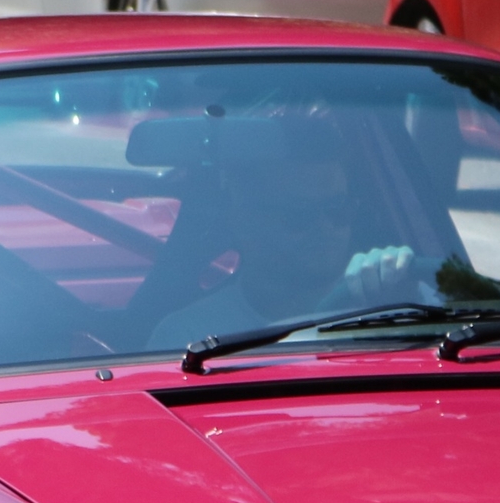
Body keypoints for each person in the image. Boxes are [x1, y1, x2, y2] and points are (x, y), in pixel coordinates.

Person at [147, 143, 427, 350]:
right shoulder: (187, 338)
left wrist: (398, 316)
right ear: (244, 223)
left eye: (337, 209)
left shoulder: (405, 297)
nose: (325, 227)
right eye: (298, 215)